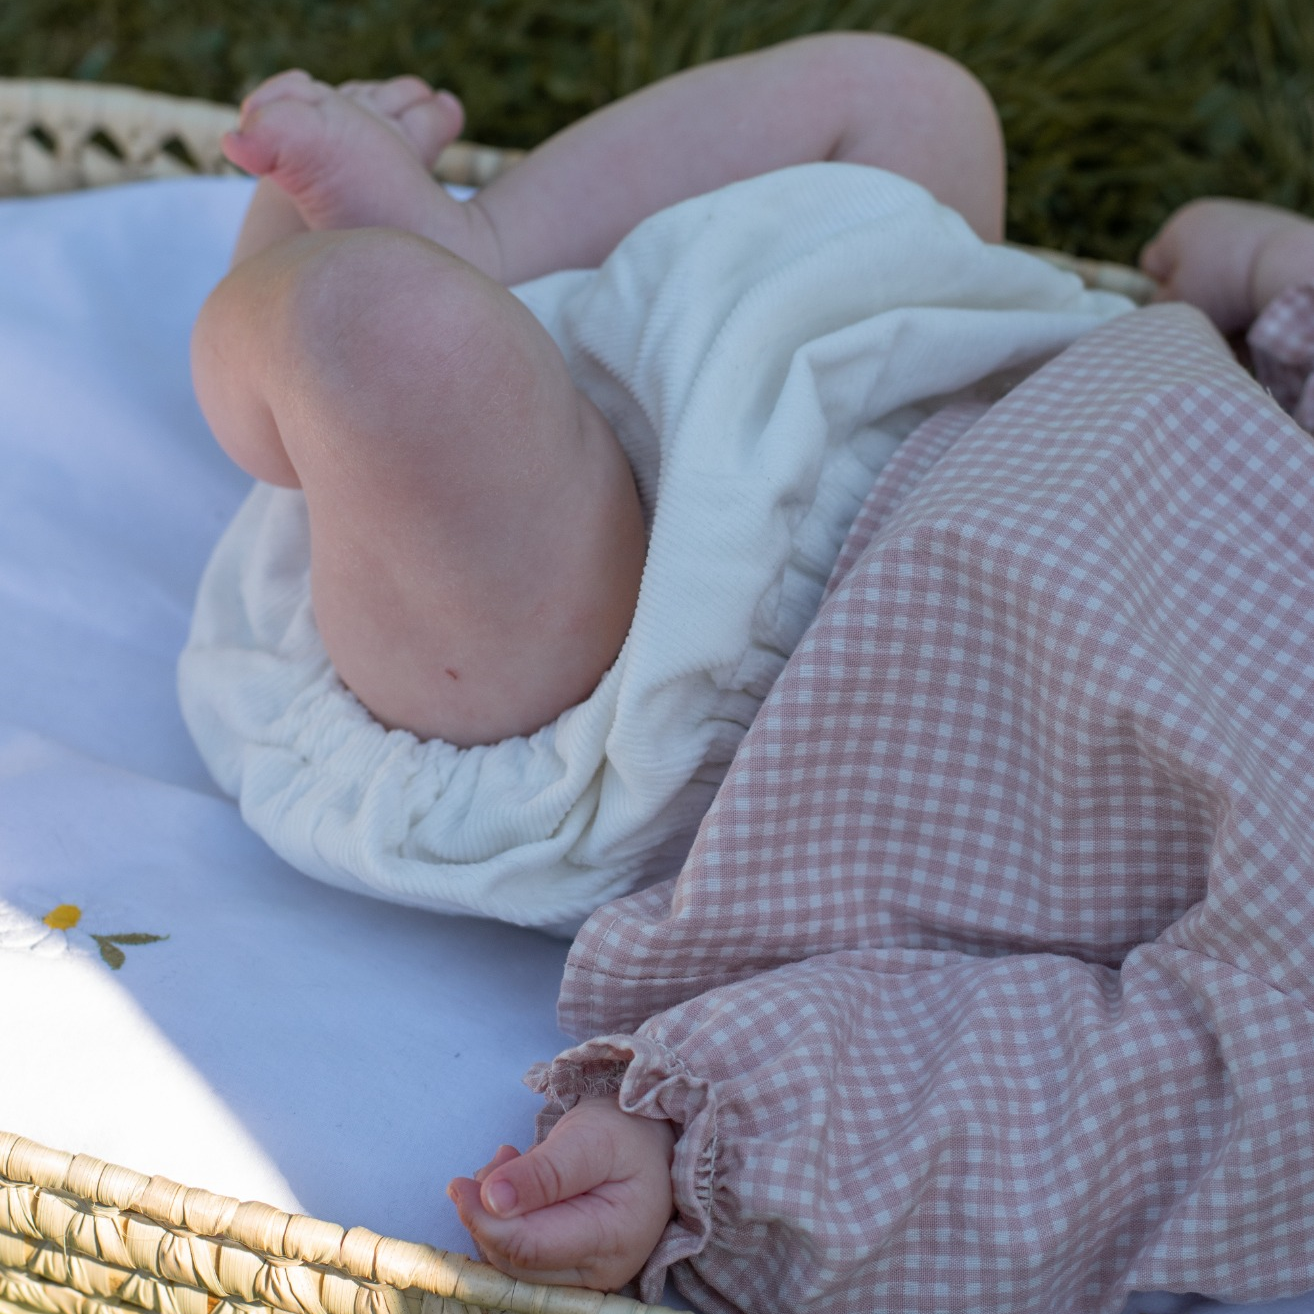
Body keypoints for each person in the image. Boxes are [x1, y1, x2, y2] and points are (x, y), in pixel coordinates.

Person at [444, 195, 1314, 1308]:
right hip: (932, 356)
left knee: (411, 355)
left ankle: (329, 304)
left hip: (714, 658)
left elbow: (1064, 1123)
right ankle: (462, 240)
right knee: (912, 103)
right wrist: (1277, 276)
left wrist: (705, 1145)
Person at [181, 32, 1122, 934]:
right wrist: (1258, 268)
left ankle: (284, 348)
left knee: (396, 336)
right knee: (916, 102)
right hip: (907, 389)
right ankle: (487, 245)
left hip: (637, 693)